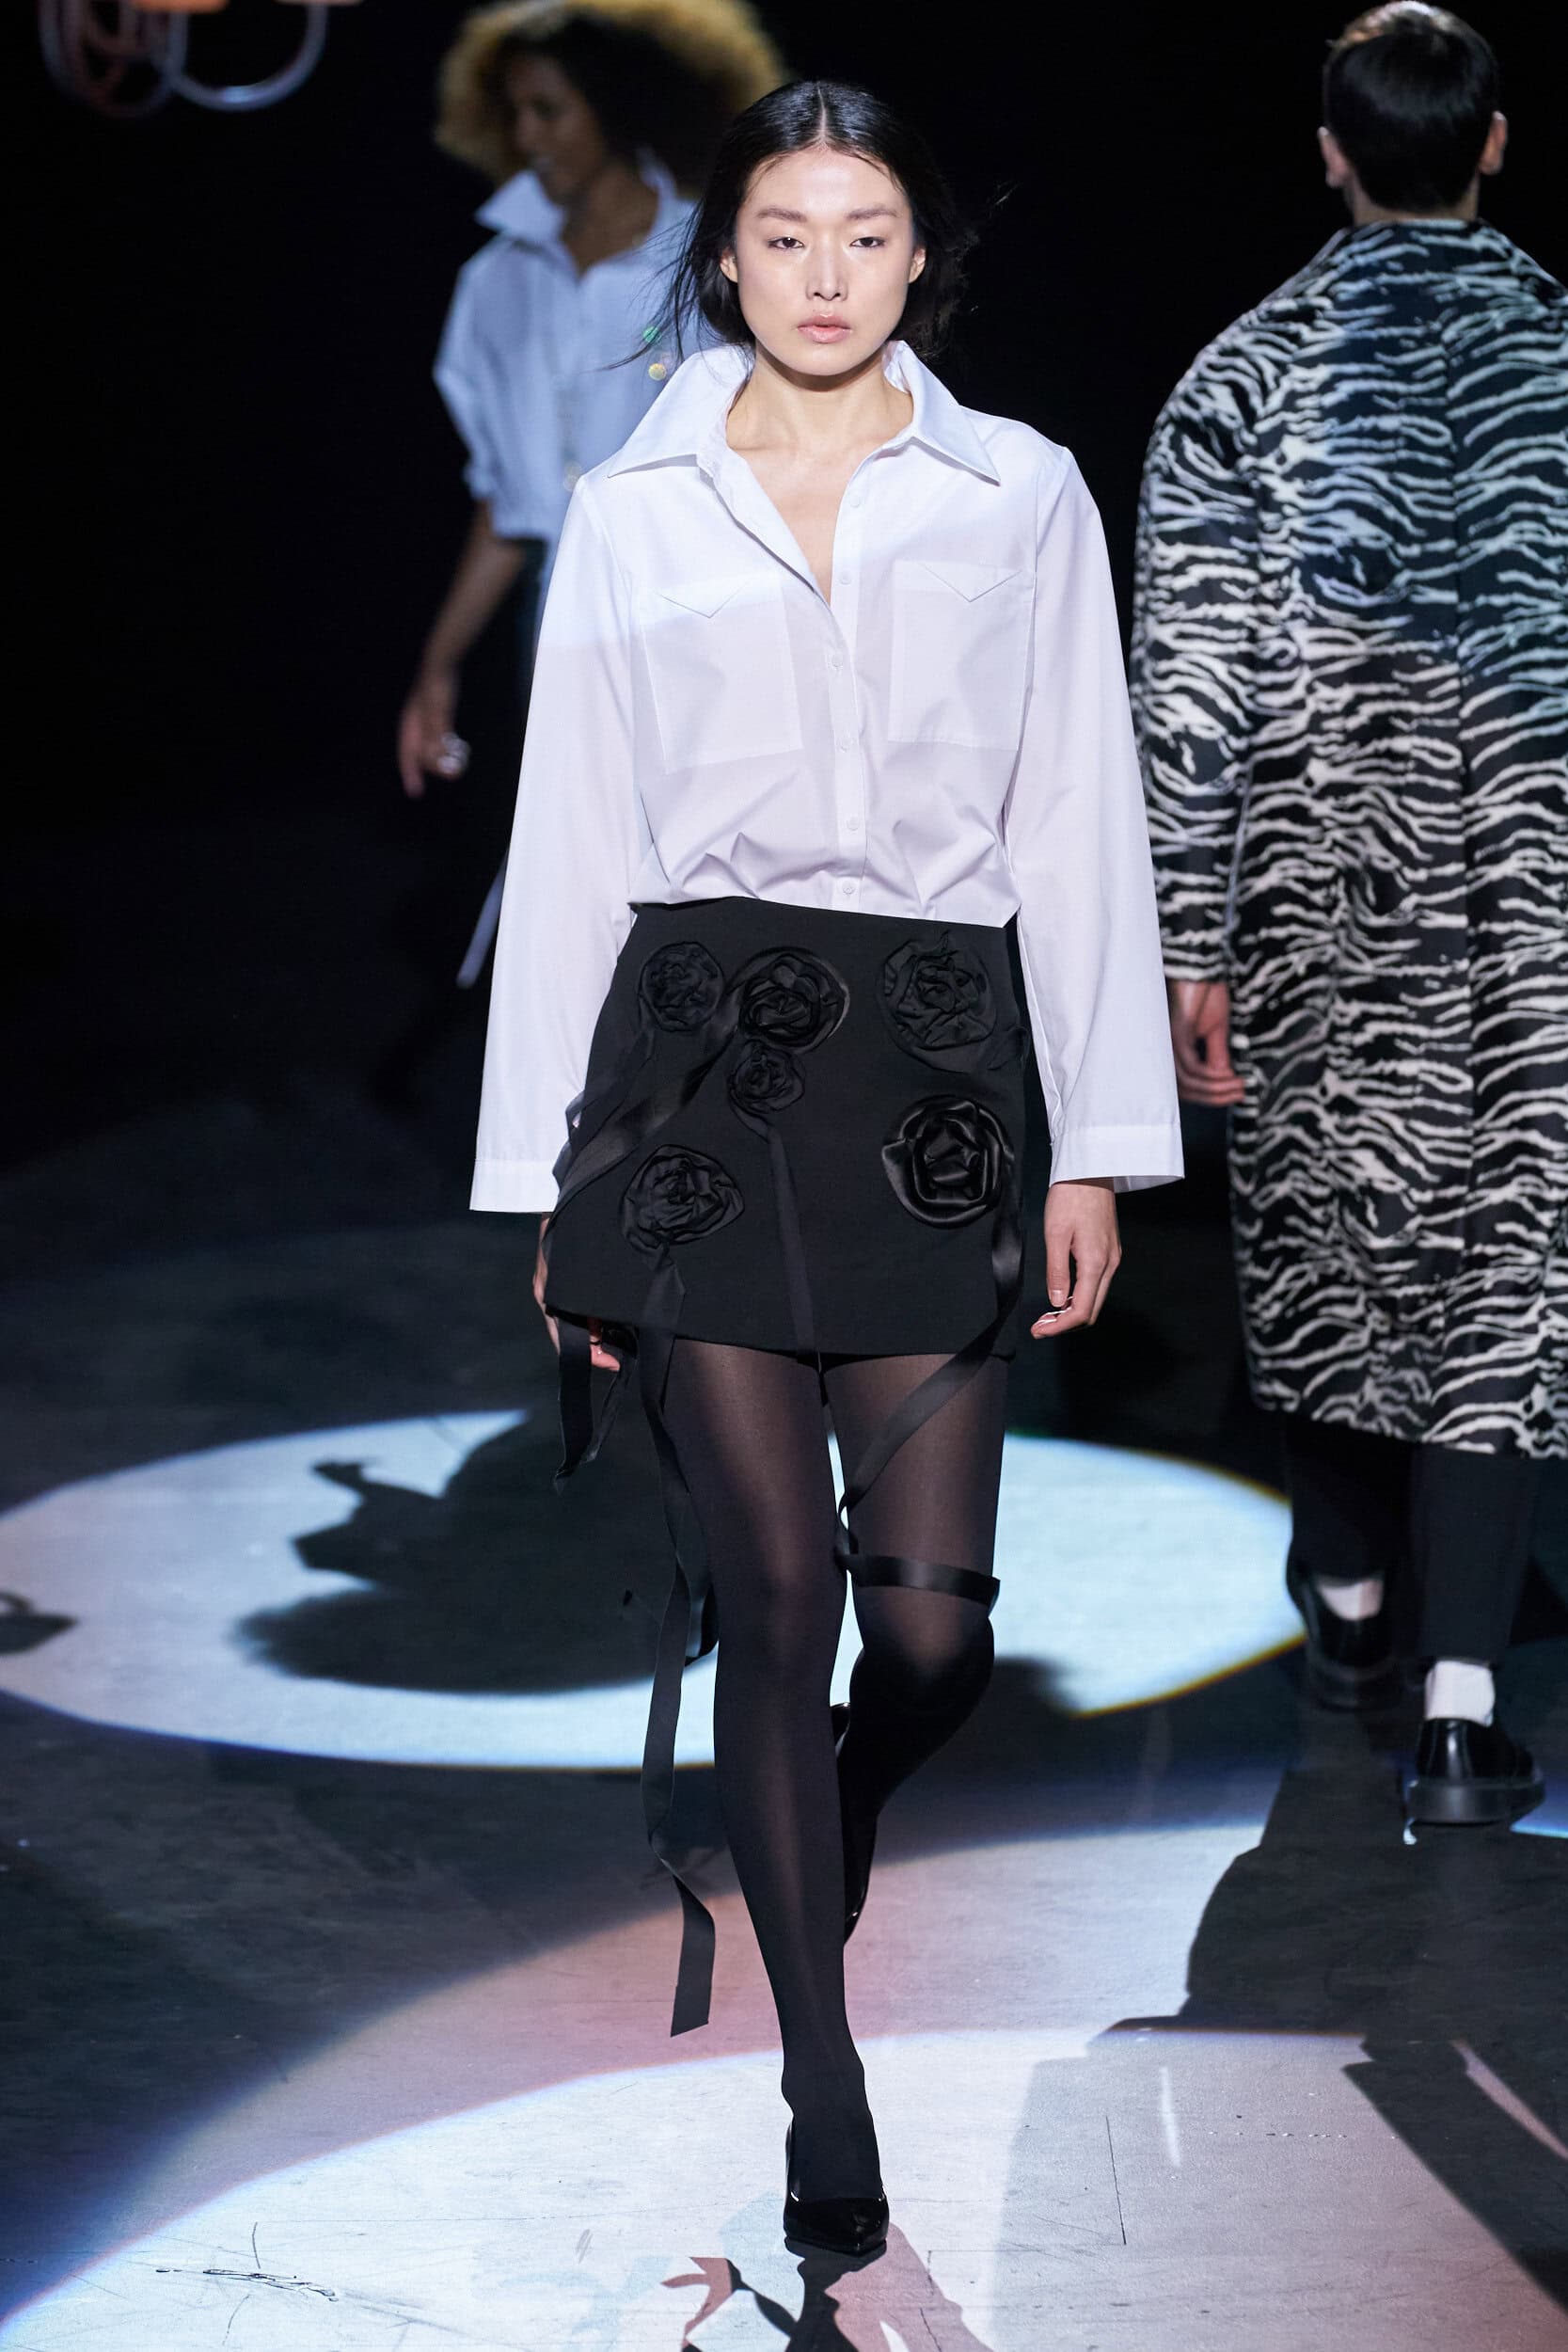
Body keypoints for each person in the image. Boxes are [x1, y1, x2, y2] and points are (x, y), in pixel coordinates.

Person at [471, 79, 1180, 2252]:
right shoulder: (636, 499)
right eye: (783, 235)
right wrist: (545, 1183)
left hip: (937, 1071)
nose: (822, 276)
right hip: (693, 1084)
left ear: (920, 256)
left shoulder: (1017, 492)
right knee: (777, 1598)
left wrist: (1097, 1149)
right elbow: (571, 834)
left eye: (864, 235)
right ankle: (820, 2072)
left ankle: (842, 1797)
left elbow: (1078, 814)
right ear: (724, 253)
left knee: (930, 1632)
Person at [1132, 4, 1566, 1826]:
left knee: (1329, 1245)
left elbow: (1189, 682)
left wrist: (1183, 932)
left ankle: (1350, 1603)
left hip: (1320, 887)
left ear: (1327, 153)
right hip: (1533, 888)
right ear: (1491, 143)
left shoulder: (1242, 378)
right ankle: (1459, 1704)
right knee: (1509, 1266)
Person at [398, 0, 783, 829]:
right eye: (514, 112)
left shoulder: (716, 257)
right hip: (566, 632)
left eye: (548, 109)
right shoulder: (496, 283)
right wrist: (438, 665)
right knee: (578, 864)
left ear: (614, 107)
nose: (526, 136)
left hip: (712, 623)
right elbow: (513, 502)